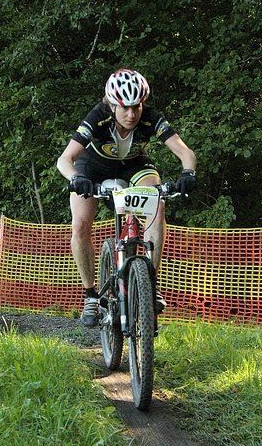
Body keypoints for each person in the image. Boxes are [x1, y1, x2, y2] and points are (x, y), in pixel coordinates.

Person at [56, 68, 197, 327]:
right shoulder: (97, 117)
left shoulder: (151, 118)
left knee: (157, 204)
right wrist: (75, 178)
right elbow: (65, 159)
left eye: (137, 106)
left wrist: (188, 172)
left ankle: (150, 283)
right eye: (125, 108)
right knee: (80, 225)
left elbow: (184, 151)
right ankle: (90, 295)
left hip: (134, 166)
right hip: (93, 167)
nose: (132, 114)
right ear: (112, 105)